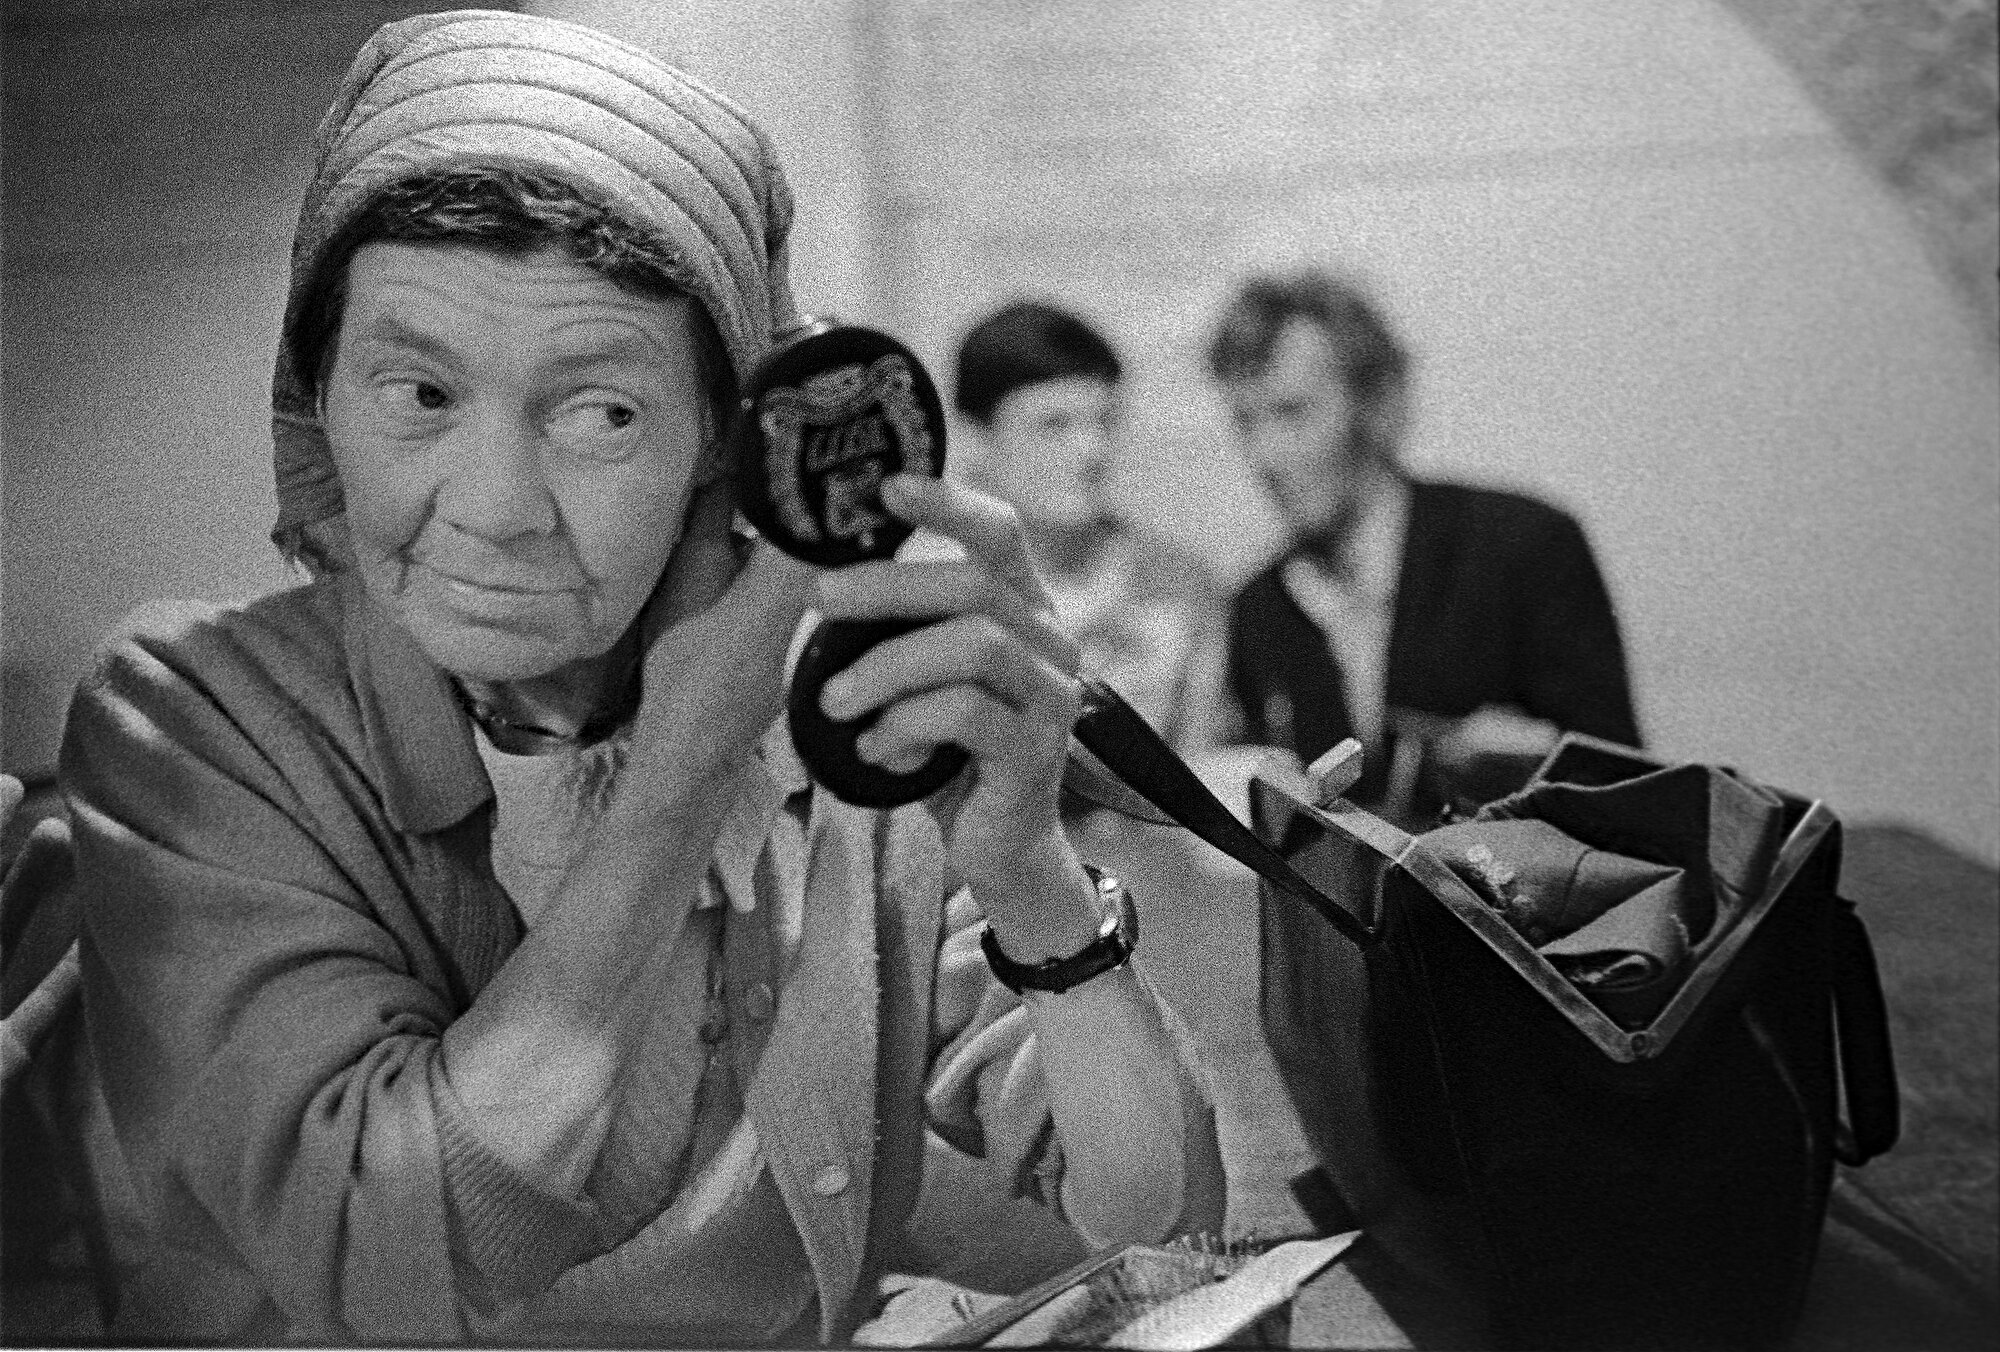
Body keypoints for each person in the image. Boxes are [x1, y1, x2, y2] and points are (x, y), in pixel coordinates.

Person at [57, 12, 1222, 1346]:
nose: (495, 510)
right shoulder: (197, 718)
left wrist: (1030, 877)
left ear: (724, 452)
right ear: (315, 397)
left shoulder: (830, 722)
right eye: (418, 394)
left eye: (600, 411)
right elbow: (395, 1259)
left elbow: (1154, 1218)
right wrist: (684, 768)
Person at [1208, 270, 1640, 820]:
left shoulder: (1526, 546)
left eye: (1293, 413)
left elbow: (1629, 794)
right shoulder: (1258, 607)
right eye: (1245, 422)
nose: (1265, 455)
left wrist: (1540, 766)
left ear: (1378, 403)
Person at [951, 302, 1226, 759]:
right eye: (1054, 426)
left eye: (1105, 422)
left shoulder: (1180, 586)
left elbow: (1205, 770)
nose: (1091, 451)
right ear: (974, 438)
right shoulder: (936, 585)